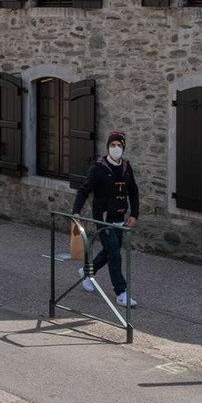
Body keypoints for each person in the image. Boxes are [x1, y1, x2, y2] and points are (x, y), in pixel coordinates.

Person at [72, 130, 139, 307]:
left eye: (119, 145)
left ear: (123, 148)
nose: (115, 148)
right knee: (115, 255)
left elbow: (133, 190)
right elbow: (84, 190)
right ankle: (121, 293)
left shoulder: (126, 167)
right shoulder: (98, 168)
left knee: (110, 251)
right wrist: (76, 211)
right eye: (112, 145)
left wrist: (134, 214)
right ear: (108, 147)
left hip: (120, 217)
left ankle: (86, 272)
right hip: (103, 219)